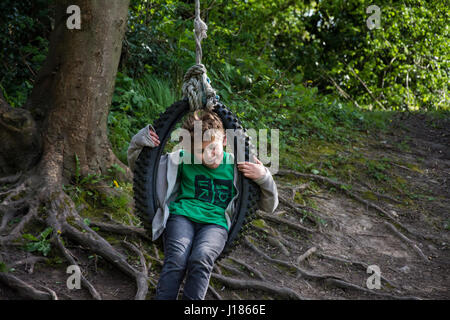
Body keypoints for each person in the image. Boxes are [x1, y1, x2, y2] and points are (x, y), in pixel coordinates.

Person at [127, 109, 278, 300]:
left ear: (224, 140)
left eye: (213, 148)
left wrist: (264, 177)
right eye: (200, 151)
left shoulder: (238, 167)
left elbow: (269, 205)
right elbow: (142, 170)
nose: (209, 156)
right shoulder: (183, 159)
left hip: (216, 224)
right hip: (182, 216)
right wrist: (141, 141)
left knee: (202, 257)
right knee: (177, 258)